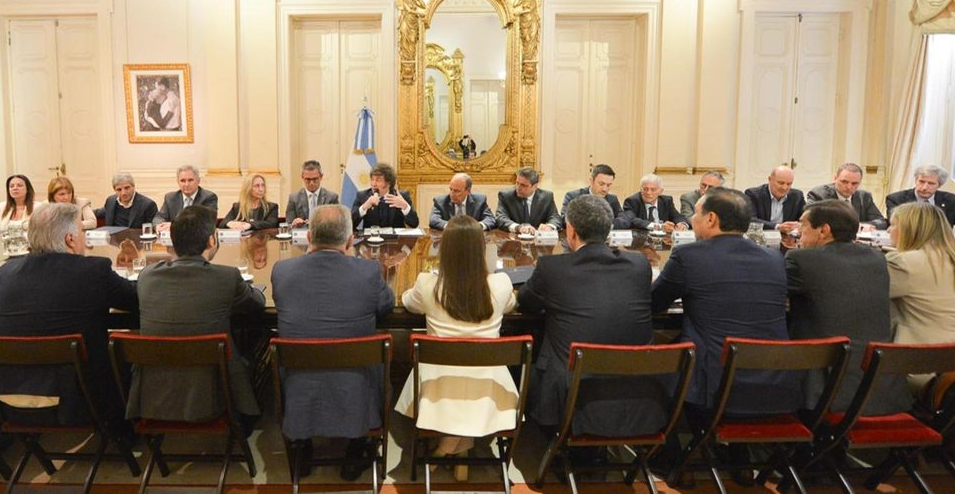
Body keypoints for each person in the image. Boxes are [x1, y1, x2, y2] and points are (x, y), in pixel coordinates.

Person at [518, 195, 664, 437]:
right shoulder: (639, 265)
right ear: (608, 229)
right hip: (637, 395)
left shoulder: (551, 268)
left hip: (570, 400)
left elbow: (526, 302)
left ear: (571, 231)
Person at [271, 204, 394, 481]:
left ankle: (302, 445)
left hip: (299, 383)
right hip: (355, 387)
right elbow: (387, 304)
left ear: (309, 237)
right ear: (350, 241)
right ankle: (357, 447)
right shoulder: (368, 272)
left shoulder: (282, 271)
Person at [651, 188, 800, 416]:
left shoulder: (688, 256)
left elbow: (654, 303)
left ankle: (667, 446)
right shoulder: (774, 258)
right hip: (775, 384)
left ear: (711, 219)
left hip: (716, 388)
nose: (692, 219)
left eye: (697, 213)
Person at [395, 216, 517, 481]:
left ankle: (444, 449)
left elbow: (407, 301)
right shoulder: (501, 284)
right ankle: (460, 452)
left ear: (444, 249)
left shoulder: (428, 284)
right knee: (472, 382)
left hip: (438, 382)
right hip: (489, 384)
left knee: (458, 383)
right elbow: (509, 305)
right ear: (481, 249)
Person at [0, 203, 138, 423]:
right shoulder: (94, 270)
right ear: (70, 239)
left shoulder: (6, 272)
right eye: (82, 231)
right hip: (77, 394)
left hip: (9, 392)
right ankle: (122, 431)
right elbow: (136, 300)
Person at [128, 205, 266, 429]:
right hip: (214, 400)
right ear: (212, 241)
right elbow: (257, 304)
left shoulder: (147, 278)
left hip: (154, 400)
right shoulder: (226, 277)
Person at [786, 201, 910, 414]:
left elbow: (776, 294)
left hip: (826, 390)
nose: (799, 232)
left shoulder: (801, 259)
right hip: (879, 387)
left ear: (823, 230)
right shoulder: (876, 258)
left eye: (803, 226)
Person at [886, 202, 955, 389]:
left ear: (909, 229)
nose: (888, 231)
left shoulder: (905, 263)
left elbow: (864, 296)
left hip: (920, 365)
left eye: (893, 225)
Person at [806, 163, 887, 230]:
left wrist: (864, 226)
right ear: (835, 178)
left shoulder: (864, 197)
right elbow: (811, 220)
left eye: (854, 183)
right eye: (844, 182)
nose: (849, 187)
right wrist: (854, 226)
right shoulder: (819, 194)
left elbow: (881, 222)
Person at [351, 162, 419, 230]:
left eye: (378, 180)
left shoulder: (402, 196)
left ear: (389, 183)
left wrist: (405, 206)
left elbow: (414, 224)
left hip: (395, 239)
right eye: (372, 179)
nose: (373, 184)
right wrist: (364, 207)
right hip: (371, 239)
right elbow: (351, 225)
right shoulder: (362, 196)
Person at [885, 165, 955, 227]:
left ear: (939, 185)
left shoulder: (951, 200)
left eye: (931, 183)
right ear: (916, 180)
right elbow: (896, 224)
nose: (924, 187)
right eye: (921, 181)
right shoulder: (896, 199)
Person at [155, 165, 219, 232]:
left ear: (198, 181)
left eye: (190, 180)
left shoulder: (208, 197)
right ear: (178, 182)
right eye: (182, 181)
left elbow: (207, 223)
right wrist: (159, 226)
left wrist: (175, 226)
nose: (186, 184)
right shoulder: (170, 198)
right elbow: (159, 217)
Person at [495, 167, 559, 234]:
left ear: (535, 186)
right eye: (517, 183)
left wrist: (549, 226)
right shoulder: (506, 196)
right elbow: (500, 218)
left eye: (523, 185)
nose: (518, 188)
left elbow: (555, 217)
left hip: (538, 240)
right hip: (513, 240)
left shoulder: (546, 197)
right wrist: (518, 227)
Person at [618, 174, 689, 232]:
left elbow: (677, 216)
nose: (648, 193)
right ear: (640, 189)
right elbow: (632, 220)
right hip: (641, 242)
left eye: (653, 189)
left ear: (661, 191)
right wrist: (659, 227)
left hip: (664, 242)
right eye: (645, 189)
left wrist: (682, 224)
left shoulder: (666, 201)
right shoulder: (632, 201)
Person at [745, 165, 805, 232]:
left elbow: (806, 219)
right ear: (770, 179)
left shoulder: (797, 196)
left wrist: (798, 225)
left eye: (789, 184)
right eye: (781, 183)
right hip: (761, 236)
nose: (785, 187)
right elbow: (750, 220)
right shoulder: (753, 194)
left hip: (788, 237)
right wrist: (777, 227)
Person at [428, 173, 495, 231]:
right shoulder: (441, 201)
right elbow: (433, 220)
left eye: (457, 191)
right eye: (451, 189)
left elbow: (491, 219)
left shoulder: (479, 200)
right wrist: (451, 226)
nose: (452, 194)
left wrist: (476, 227)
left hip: (473, 240)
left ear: (468, 191)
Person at [284, 160, 339, 227]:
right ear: (302, 177)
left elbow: (336, 223)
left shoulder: (331, 197)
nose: (311, 183)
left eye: (315, 179)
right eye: (308, 179)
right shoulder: (294, 197)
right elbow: (289, 223)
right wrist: (294, 224)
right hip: (301, 235)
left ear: (321, 177)